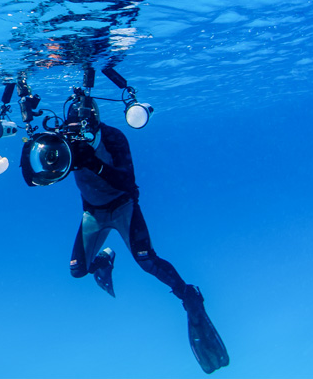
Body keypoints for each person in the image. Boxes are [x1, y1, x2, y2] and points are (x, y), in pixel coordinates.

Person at [67, 109, 229, 374]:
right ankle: (104, 260)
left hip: (123, 206)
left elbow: (126, 180)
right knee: (77, 270)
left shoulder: (113, 137)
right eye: (74, 128)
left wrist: (93, 162)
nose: (81, 134)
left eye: (85, 127)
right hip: (93, 213)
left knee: (147, 261)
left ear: (96, 121)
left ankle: (188, 296)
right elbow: (37, 176)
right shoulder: (64, 140)